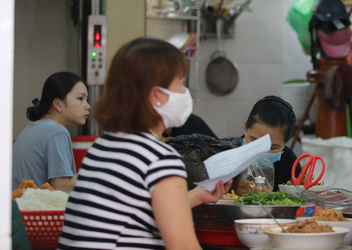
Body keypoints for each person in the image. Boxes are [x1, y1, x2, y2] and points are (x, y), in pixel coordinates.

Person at [58, 38, 230, 250]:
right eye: (180, 84)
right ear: (157, 95)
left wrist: (196, 196)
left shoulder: (103, 147)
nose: (185, 93)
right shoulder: (159, 159)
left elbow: (135, 211)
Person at [12, 72, 90, 192]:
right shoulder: (57, 132)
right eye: (80, 98)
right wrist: (96, 177)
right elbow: (61, 186)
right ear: (58, 104)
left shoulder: (31, 129)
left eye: (86, 99)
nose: (88, 106)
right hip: (39, 210)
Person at [241, 95, 301, 190]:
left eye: (272, 148)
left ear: (285, 142)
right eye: (254, 141)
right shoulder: (224, 154)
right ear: (246, 128)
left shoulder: (289, 163)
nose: (261, 152)